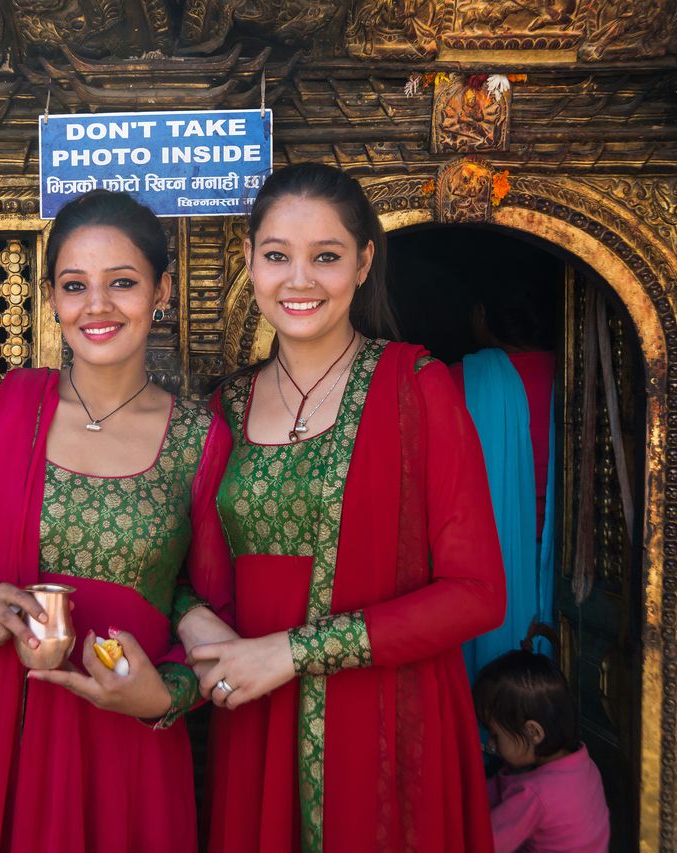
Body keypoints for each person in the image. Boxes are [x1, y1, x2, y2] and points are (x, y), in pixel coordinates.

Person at [177, 163, 505, 852]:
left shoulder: (417, 388)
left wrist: (294, 652)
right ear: (249, 262)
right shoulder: (222, 409)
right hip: (256, 720)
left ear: (363, 264)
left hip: (384, 721)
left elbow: (477, 594)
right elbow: (194, 577)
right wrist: (193, 617)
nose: (299, 280)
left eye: (325, 256)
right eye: (277, 256)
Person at [0, 190, 232, 852]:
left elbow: (218, 614)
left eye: (124, 283)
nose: (98, 306)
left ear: (161, 291)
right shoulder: (1, 409)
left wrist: (163, 694)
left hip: (119, 741)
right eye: (75, 285)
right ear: (51, 296)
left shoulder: (202, 437)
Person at [450, 278, 557, 675]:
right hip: (557, 558)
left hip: (483, 561)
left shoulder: (459, 380)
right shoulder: (575, 376)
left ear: (481, 316)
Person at [473, 650, 610, 853]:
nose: (491, 745)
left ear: (533, 732)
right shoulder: (583, 763)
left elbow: (484, 845)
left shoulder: (533, 795)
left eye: (495, 735)